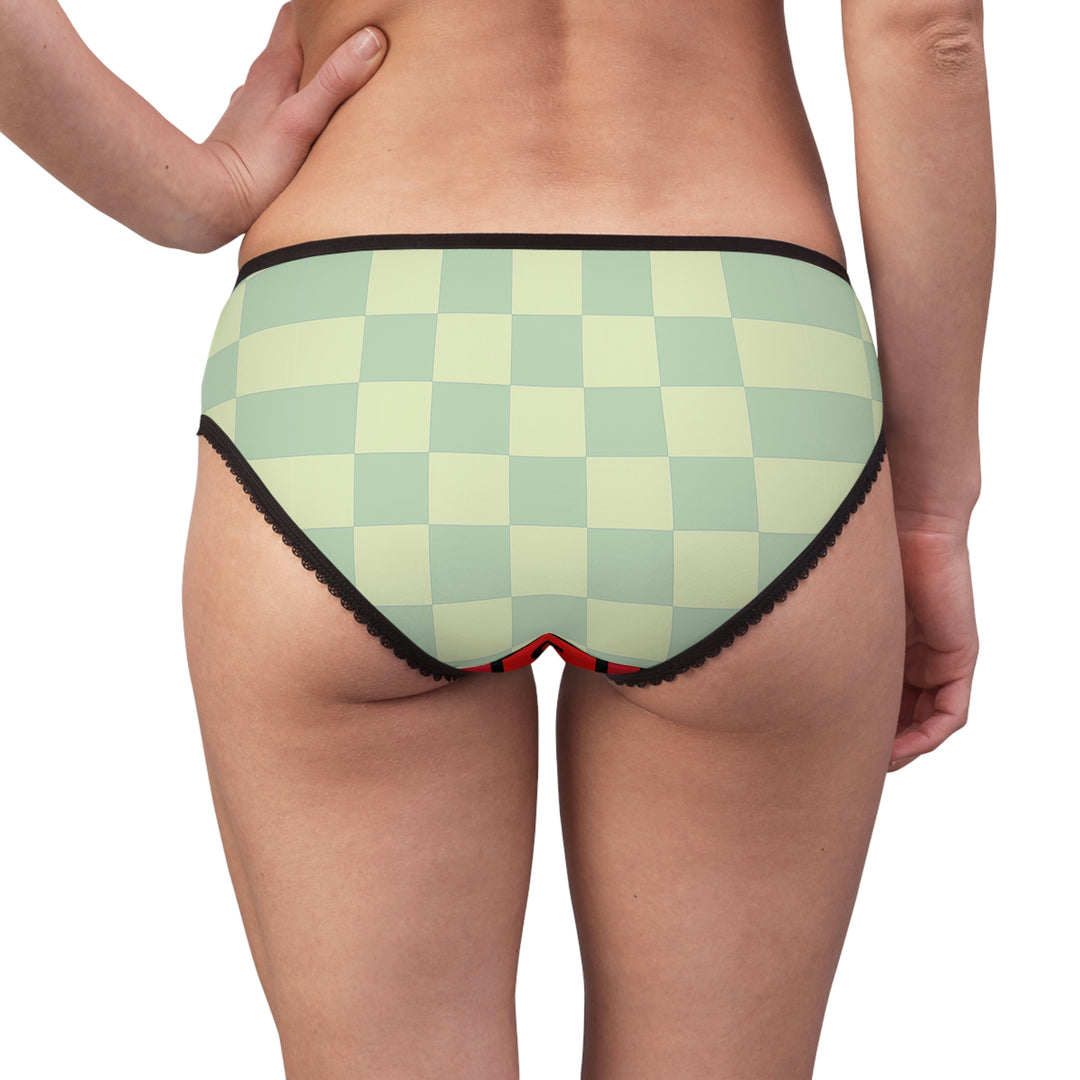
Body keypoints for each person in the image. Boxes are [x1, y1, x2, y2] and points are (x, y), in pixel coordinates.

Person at [1, 0, 992, 1076]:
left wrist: (195, 194)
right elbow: (923, 31)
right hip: (740, 376)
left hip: (357, 368)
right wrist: (930, 509)